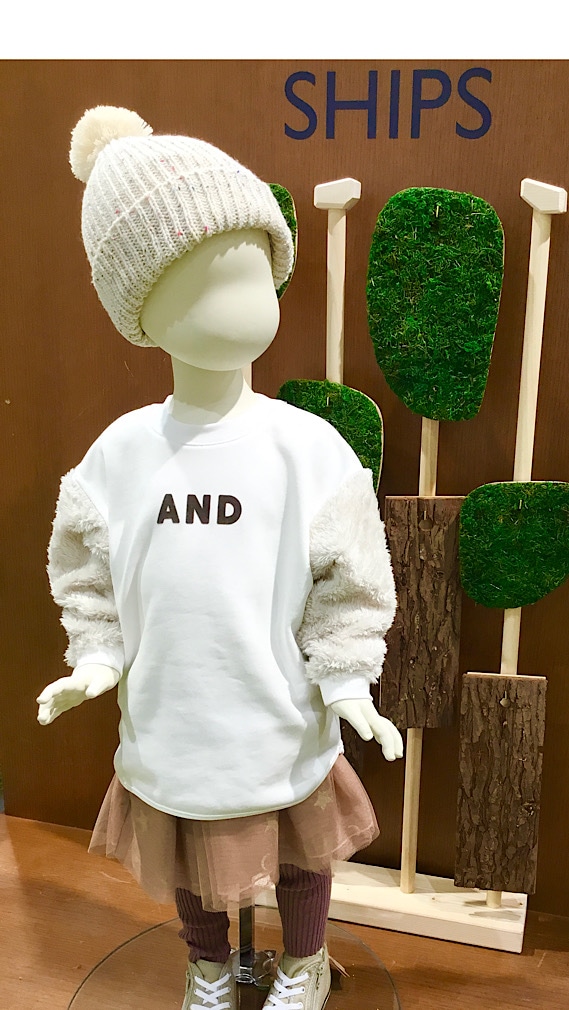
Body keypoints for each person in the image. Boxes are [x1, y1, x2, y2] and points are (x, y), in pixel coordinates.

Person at [37, 106, 403, 1010]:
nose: (242, 299)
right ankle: (208, 967)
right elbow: (87, 575)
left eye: (251, 268)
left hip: (279, 714)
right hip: (173, 719)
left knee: (302, 852)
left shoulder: (307, 448)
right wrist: (95, 658)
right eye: (203, 278)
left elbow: (351, 584)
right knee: (192, 861)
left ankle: (304, 964)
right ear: (141, 311)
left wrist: (348, 681)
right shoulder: (119, 456)